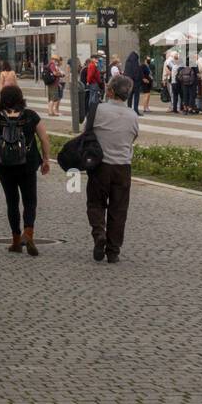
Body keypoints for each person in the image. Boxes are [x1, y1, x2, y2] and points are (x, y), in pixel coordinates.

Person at [0, 84, 51, 256]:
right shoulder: (30, 116)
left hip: (4, 166)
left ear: (3, 100)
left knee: (12, 202)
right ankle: (28, 234)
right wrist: (46, 159)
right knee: (30, 201)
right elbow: (44, 138)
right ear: (21, 99)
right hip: (28, 165)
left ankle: (15, 241)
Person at [86, 74, 139, 264]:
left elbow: (86, 131)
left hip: (100, 166)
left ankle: (99, 234)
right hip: (123, 168)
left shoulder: (98, 110)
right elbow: (133, 138)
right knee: (119, 209)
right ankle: (113, 251)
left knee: (96, 203)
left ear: (110, 91)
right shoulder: (133, 115)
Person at [124, 50, 143, 115]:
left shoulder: (127, 62)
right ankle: (135, 110)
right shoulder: (135, 62)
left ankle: (129, 109)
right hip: (136, 82)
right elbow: (136, 72)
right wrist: (138, 79)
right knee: (136, 97)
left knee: (129, 96)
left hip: (129, 82)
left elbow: (126, 73)